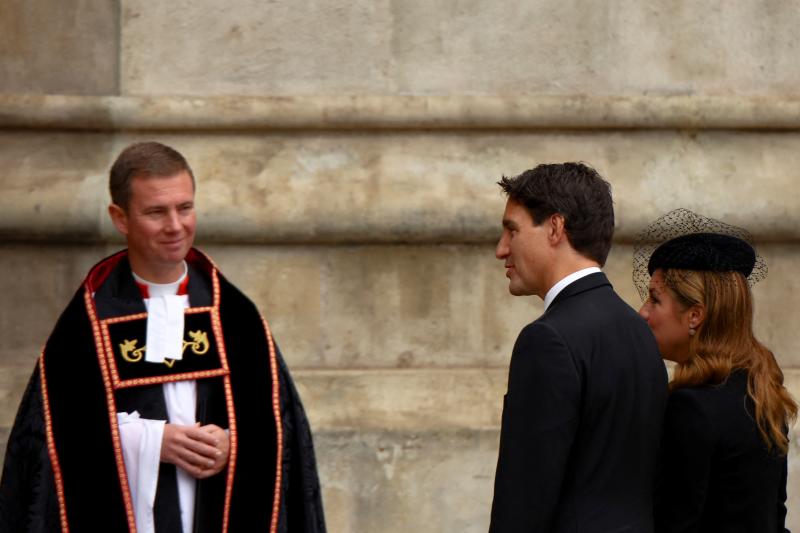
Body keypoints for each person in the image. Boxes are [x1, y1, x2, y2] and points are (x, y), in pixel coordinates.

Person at [0, 142, 326, 532]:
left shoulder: (234, 317)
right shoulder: (90, 321)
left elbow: (281, 428)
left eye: (184, 208)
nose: (175, 226)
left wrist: (233, 443)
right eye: (156, 212)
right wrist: (152, 441)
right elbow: (52, 439)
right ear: (120, 218)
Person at [489, 162, 668, 532]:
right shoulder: (639, 332)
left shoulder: (547, 339)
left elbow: (524, 496)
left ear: (555, 228)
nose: (501, 249)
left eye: (512, 230)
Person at [634, 209, 796, 532]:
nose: (643, 313)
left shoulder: (691, 407)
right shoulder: (761, 392)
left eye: (654, 299)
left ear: (695, 316)